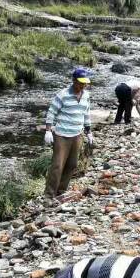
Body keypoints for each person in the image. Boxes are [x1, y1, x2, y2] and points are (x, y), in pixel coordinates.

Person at [43, 68, 94, 198]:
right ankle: (49, 195)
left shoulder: (86, 96)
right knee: (57, 165)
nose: (83, 86)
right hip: (61, 135)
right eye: (80, 83)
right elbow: (51, 112)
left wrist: (88, 132)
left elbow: (86, 114)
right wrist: (48, 131)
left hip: (77, 134)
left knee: (72, 164)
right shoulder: (63, 94)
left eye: (85, 83)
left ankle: (61, 191)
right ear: (74, 81)